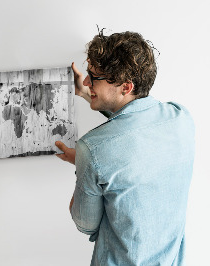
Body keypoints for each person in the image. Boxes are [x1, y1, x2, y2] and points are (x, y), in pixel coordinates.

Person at [55, 31, 195, 265]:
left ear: (126, 87)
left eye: (93, 77)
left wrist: (84, 163)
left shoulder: (92, 149)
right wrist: (86, 94)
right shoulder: (181, 118)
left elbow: (85, 224)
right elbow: (135, 123)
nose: (87, 81)